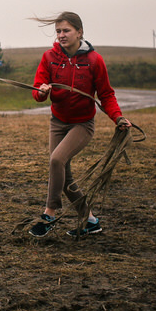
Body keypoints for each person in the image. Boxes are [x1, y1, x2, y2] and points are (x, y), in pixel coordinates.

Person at [28, 12, 132, 238]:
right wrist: (42, 91)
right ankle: (90, 220)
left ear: (79, 32)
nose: (61, 35)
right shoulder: (49, 57)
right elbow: (38, 90)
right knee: (63, 178)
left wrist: (118, 118)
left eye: (66, 31)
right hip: (58, 122)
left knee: (56, 160)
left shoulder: (95, 61)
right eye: (58, 32)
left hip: (82, 125)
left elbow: (106, 94)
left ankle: (50, 214)